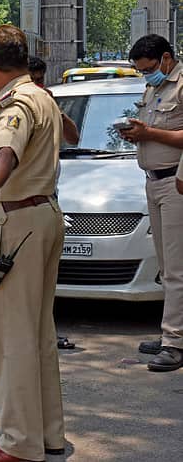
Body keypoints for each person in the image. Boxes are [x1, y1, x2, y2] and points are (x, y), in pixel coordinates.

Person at [0, 25, 66, 462]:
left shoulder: (16, 104)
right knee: (38, 333)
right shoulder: (43, 95)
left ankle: (19, 444)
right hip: (42, 215)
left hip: (17, 223)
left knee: (12, 338)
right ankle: (47, 434)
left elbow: (8, 151)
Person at [119, 34, 183, 372]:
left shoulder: (181, 85)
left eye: (149, 69)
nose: (146, 76)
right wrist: (134, 133)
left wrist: (150, 135)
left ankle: (174, 343)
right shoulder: (155, 89)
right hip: (153, 182)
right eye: (142, 72)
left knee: (176, 269)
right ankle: (173, 332)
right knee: (166, 266)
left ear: (167, 59)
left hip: (176, 183)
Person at [28, 56, 80, 145]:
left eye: (39, 80)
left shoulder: (47, 102)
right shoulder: (15, 105)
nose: (35, 86)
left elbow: (73, 139)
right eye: (31, 81)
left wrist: (55, 110)